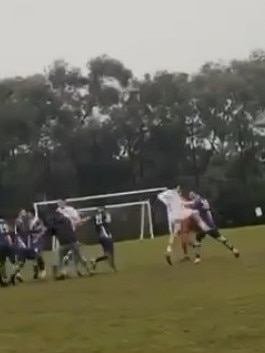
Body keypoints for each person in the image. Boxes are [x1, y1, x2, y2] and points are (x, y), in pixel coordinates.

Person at [189, 191, 240, 264]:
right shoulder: (203, 200)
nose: (190, 196)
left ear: (194, 195)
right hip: (210, 224)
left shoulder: (196, 202)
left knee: (197, 240)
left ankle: (197, 258)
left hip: (205, 225)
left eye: (191, 195)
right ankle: (234, 250)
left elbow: (192, 210)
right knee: (220, 238)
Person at [46, 209, 90, 280]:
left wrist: (49, 227)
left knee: (60, 258)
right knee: (79, 257)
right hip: (73, 241)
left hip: (64, 244)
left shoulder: (54, 224)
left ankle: (62, 272)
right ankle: (88, 270)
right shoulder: (67, 220)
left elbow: (51, 232)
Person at [157, 186, 197, 265]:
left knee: (174, 235)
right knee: (179, 234)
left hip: (171, 219)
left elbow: (159, 196)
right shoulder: (176, 198)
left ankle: (169, 249)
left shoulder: (169, 198)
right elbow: (184, 203)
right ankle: (191, 244)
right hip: (177, 218)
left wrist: (166, 197)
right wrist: (193, 202)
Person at [90, 207, 116, 272]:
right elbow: (108, 220)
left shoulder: (96, 216)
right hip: (106, 235)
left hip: (100, 236)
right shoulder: (104, 214)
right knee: (108, 253)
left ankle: (113, 267)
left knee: (109, 253)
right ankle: (95, 260)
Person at [27, 209, 46, 279]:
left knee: (38, 255)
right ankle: (36, 271)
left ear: (32, 214)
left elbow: (43, 229)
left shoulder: (37, 221)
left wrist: (38, 235)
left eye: (29, 213)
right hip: (32, 240)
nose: (28, 215)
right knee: (33, 256)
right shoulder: (29, 221)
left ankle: (43, 270)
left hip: (38, 240)